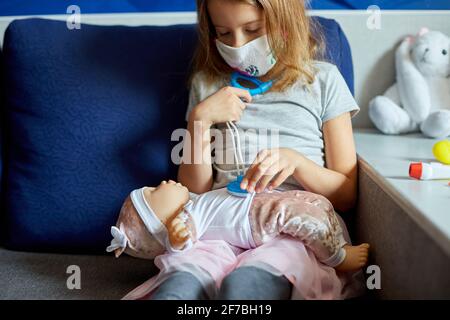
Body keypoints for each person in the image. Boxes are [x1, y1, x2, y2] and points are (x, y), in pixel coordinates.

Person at [128, 0, 364, 300]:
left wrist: (297, 163)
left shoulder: (323, 80)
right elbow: (193, 190)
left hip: (291, 225)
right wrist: (199, 120)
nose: (237, 46)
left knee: (249, 285)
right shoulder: (207, 84)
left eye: (252, 30)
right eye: (223, 33)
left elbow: (346, 195)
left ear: (285, 21)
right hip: (218, 221)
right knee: (184, 279)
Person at [107, 180, 369, 272]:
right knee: (300, 217)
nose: (162, 182)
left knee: (314, 204)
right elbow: (180, 245)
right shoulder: (182, 221)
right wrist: (175, 238)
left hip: (257, 202)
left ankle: (335, 239)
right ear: (160, 222)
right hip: (254, 220)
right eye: (153, 191)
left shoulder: (194, 203)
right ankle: (337, 256)